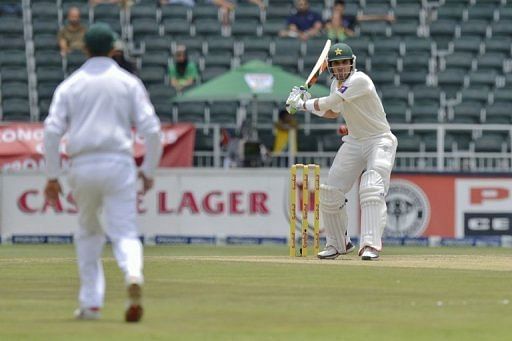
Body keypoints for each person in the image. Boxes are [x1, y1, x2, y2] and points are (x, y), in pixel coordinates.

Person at [43, 23, 162, 322]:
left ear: (84, 49)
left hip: (82, 164)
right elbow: (152, 131)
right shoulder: (128, 82)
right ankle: (133, 274)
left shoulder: (71, 84)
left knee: (88, 232)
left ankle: (91, 303)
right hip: (119, 162)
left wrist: (52, 176)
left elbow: (52, 131)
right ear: (113, 49)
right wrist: (147, 170)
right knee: (124, 231)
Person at [285, 42, 398, 261]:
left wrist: (301, 105)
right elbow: (331, 111)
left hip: (379, 140)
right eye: (336, 64)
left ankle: (370, 245)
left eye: (344, 63)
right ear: (330, 67)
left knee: (371, 186)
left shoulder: (360, 80)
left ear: (352, 63)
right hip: (355, 141)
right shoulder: (335, 86)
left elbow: (330, 102)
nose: (340, 68)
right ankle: (338, 244)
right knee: (329, 191)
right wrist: (306, 103)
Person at [325, 0, 395, 42]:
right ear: (333, 9)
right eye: (337, 9)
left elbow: (367, 18)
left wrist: (385, 17)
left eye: (341, 9)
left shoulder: (348, 18)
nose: (339, 12)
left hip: (347, 43)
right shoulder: (328, 22)